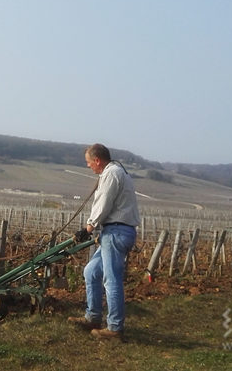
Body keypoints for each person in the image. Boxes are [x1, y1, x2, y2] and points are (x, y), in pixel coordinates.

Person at [69, 143, 140, 341]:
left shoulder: (111, 174)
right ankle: (93, 317)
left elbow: (104, 203)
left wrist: (88, 228)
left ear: (97, 160)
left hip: (116, 231)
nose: (88, 166)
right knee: (91, 271)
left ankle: (115, 328)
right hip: (114, 230)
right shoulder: (117, 172)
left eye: (89, 162)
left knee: (111, 279)